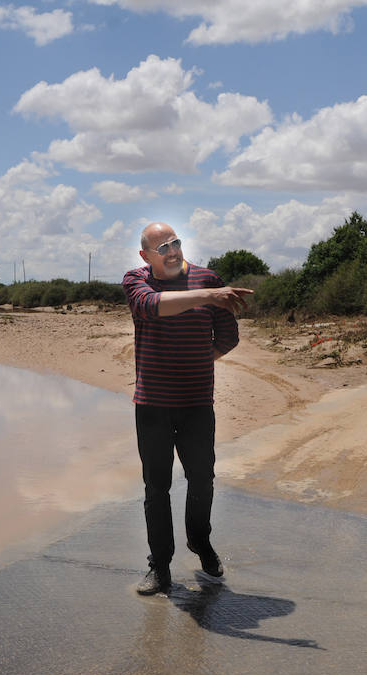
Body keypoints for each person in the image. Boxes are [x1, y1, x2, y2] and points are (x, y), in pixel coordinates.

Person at [121, 222, 254, 596]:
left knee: (202, 480)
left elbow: (228, 337)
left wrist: (196, 361)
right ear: (146, 256)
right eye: (162, 247)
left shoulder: (208, 279)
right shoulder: (136, 281)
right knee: (156, 487)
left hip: (197, 403)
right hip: (152, 405)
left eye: (175, 243)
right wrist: (208, 296)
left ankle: (201, 543)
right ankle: (159, 567)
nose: (172, 251)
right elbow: (150, 307)